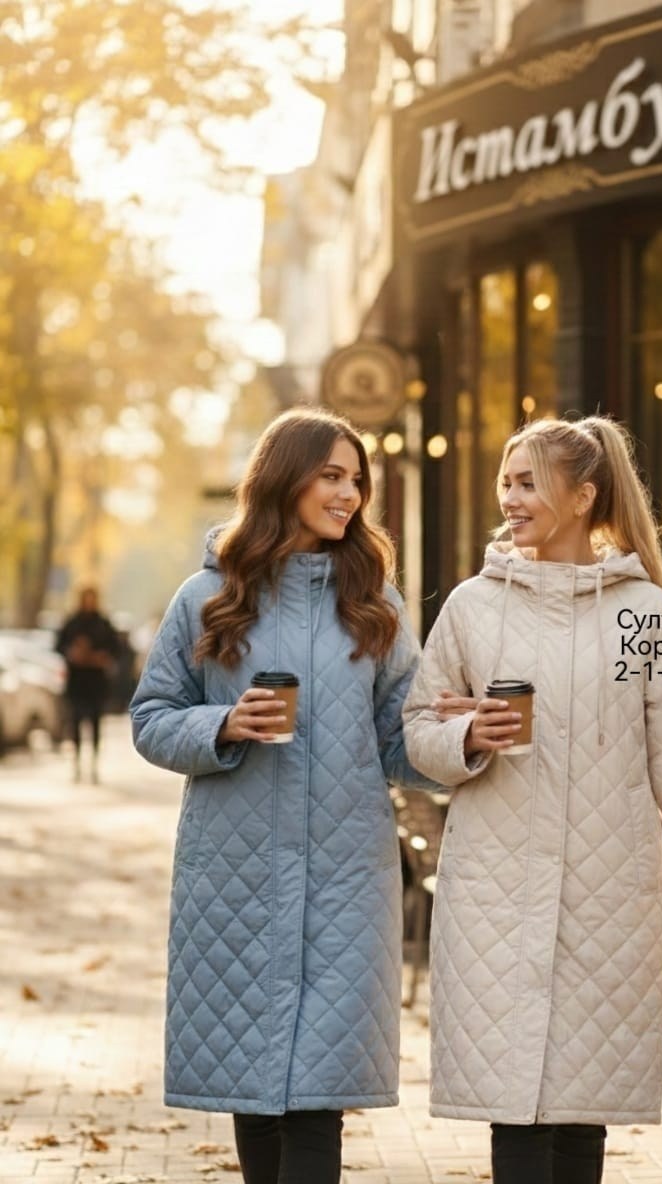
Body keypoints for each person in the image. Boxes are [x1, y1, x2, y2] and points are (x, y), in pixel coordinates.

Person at [402, 415, 662, 1184]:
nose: (509, 497)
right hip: (494, 891)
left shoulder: (648, 616)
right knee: (513, 1105)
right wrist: (468, 739)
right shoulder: (471, 604)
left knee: (581, 1103)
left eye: (526, 481)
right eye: (505, 481)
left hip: (608, 895)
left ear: (583, 495)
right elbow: (417, 729)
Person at [129, 408, 440, 1184]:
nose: (349, 494)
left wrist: (459, 739)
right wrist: (222, 724)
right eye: (331, 475)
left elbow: (401, 742)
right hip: (236, 877)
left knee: (317, 1101)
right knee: (256, 1089)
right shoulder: (205, 597)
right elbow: (149, 718)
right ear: (281, 478)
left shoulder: (379, 605)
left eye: (356, 480)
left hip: (346, 876)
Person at [56, 586, 121, 783]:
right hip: (76, 681)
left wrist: (102, 657)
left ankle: (93, 763)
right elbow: (59, 645)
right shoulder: (72, 622)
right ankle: (76, 763)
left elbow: (116, 649)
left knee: (95, 723)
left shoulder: (103, 623)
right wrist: (72, 653)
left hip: (96, 682)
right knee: (75, 722)